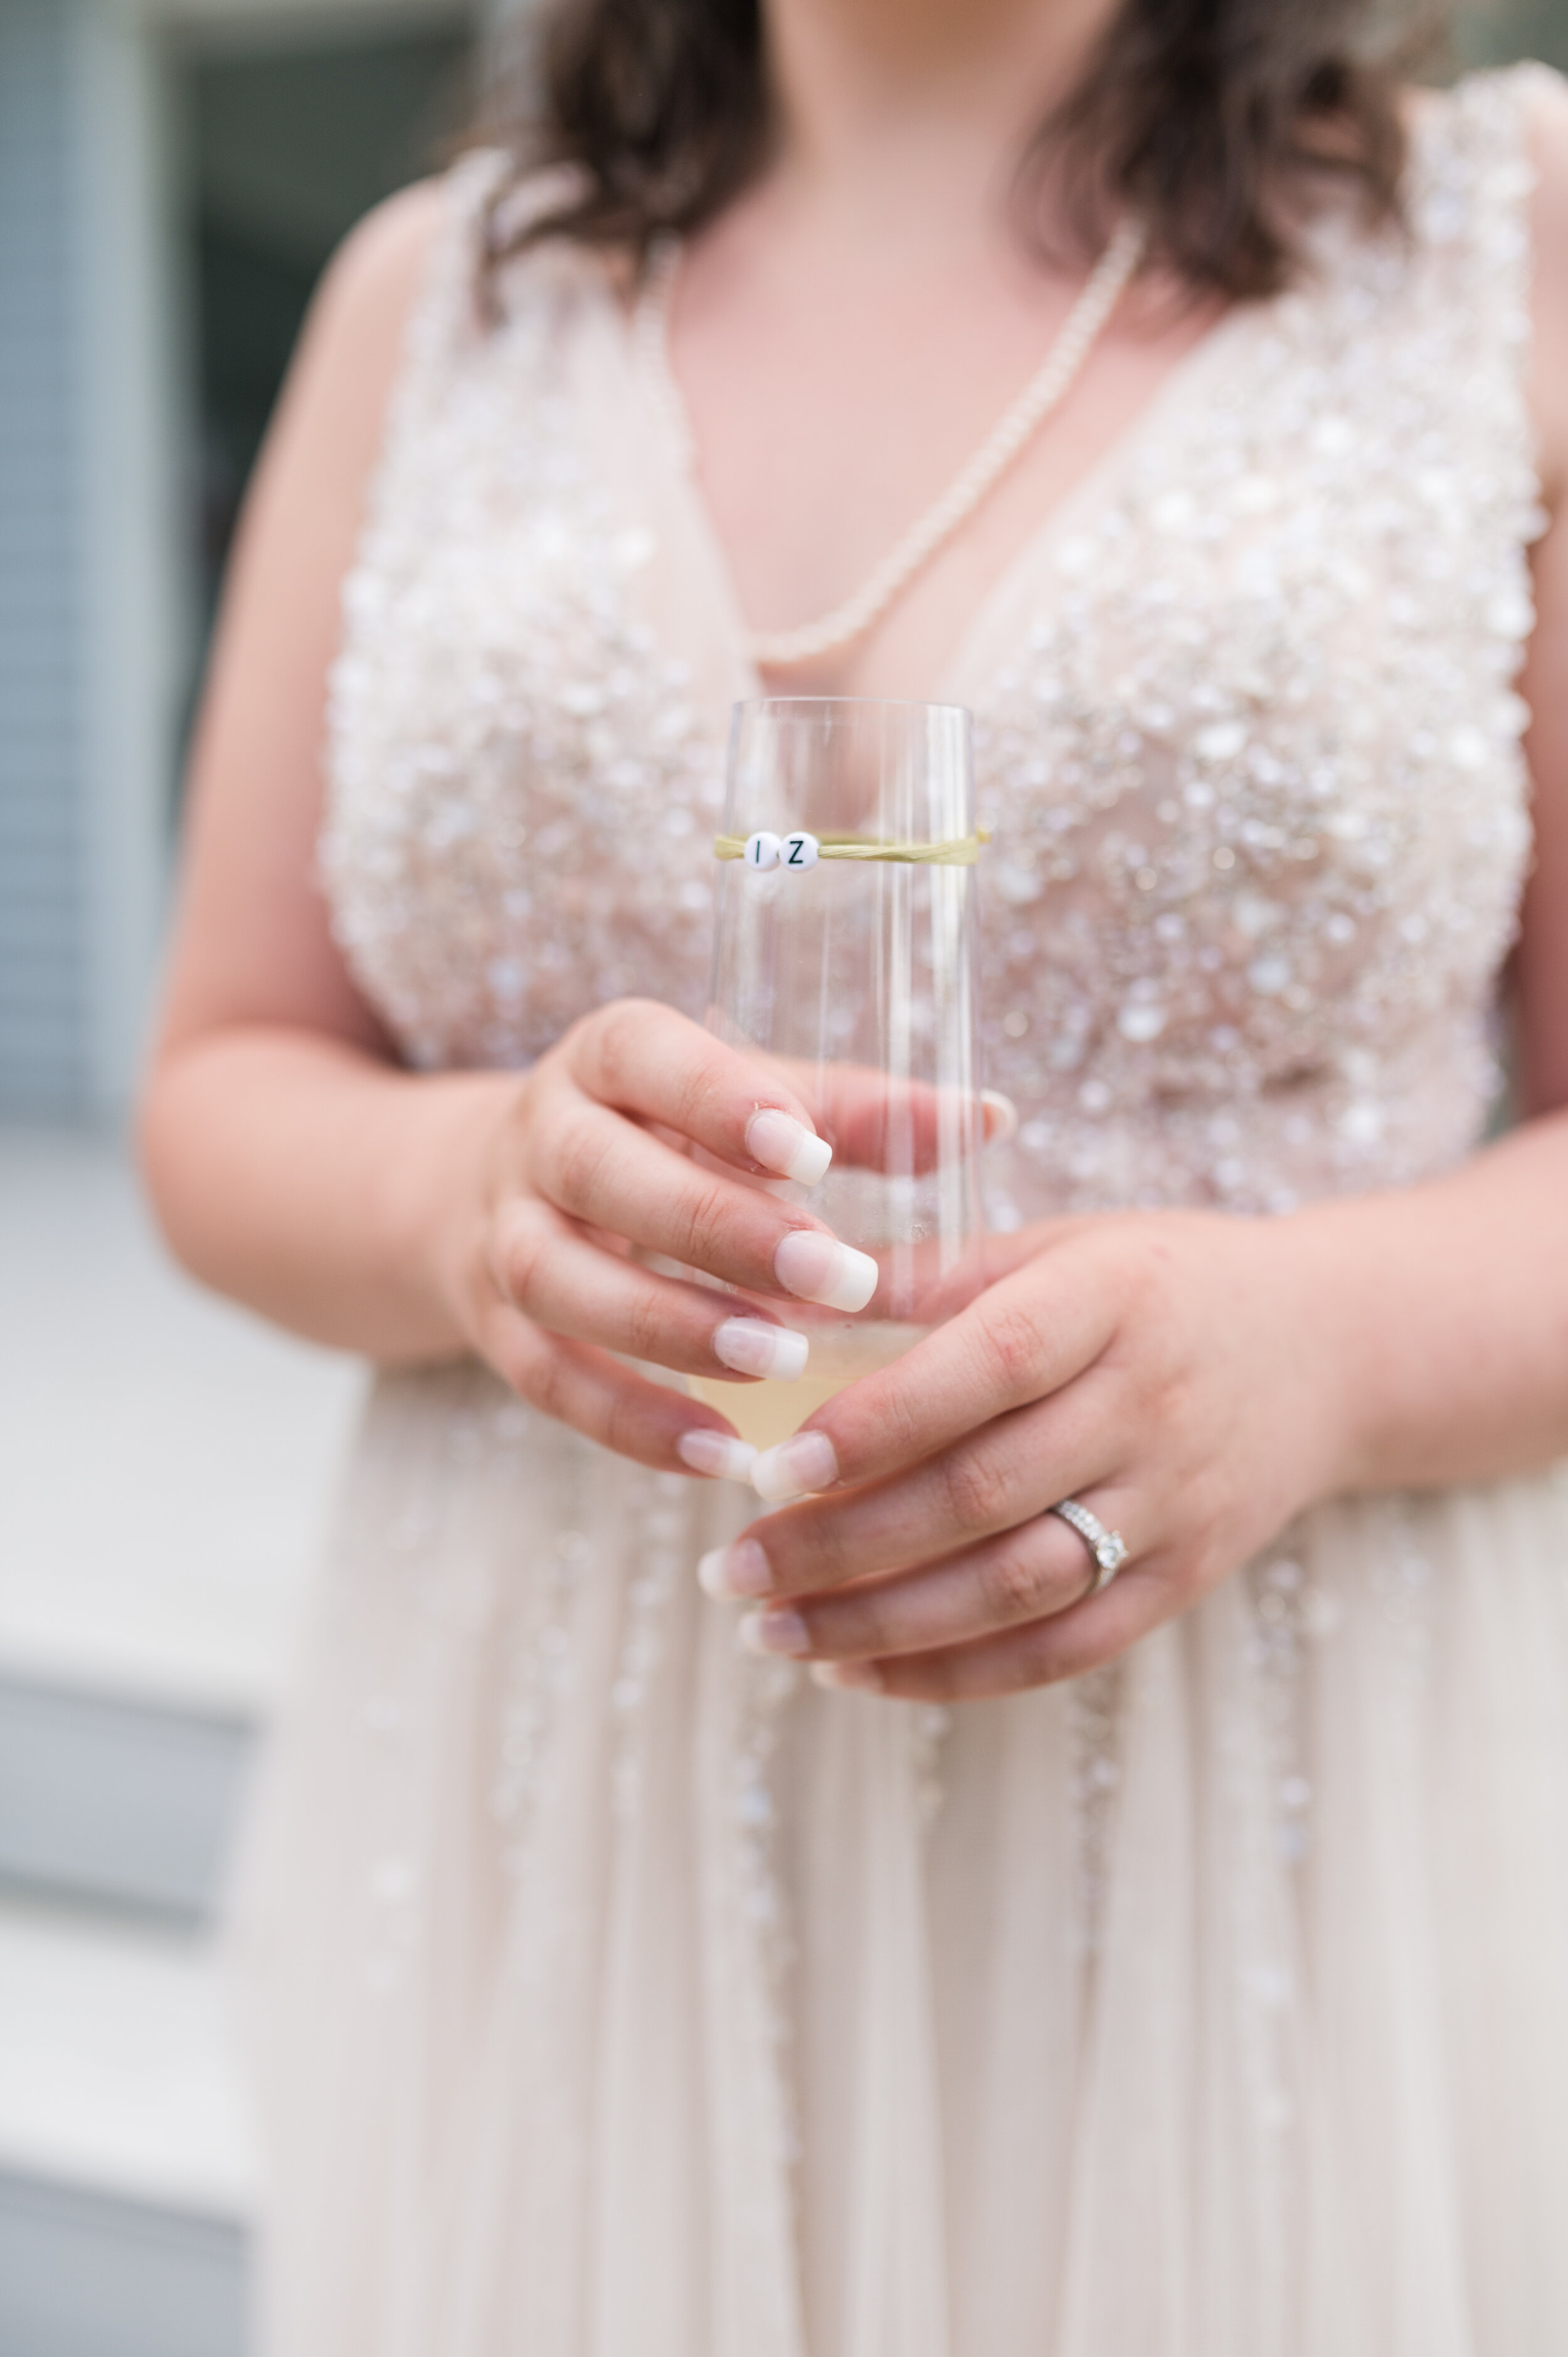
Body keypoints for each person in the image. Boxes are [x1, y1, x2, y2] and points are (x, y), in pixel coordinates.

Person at [140, 0, 1568, 2344]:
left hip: (1272, 1827)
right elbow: (221, 1081)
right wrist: (467, 1197)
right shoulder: (435, 302)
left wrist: (1317, 1348)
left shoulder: (1488, 245)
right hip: (566, 1826)